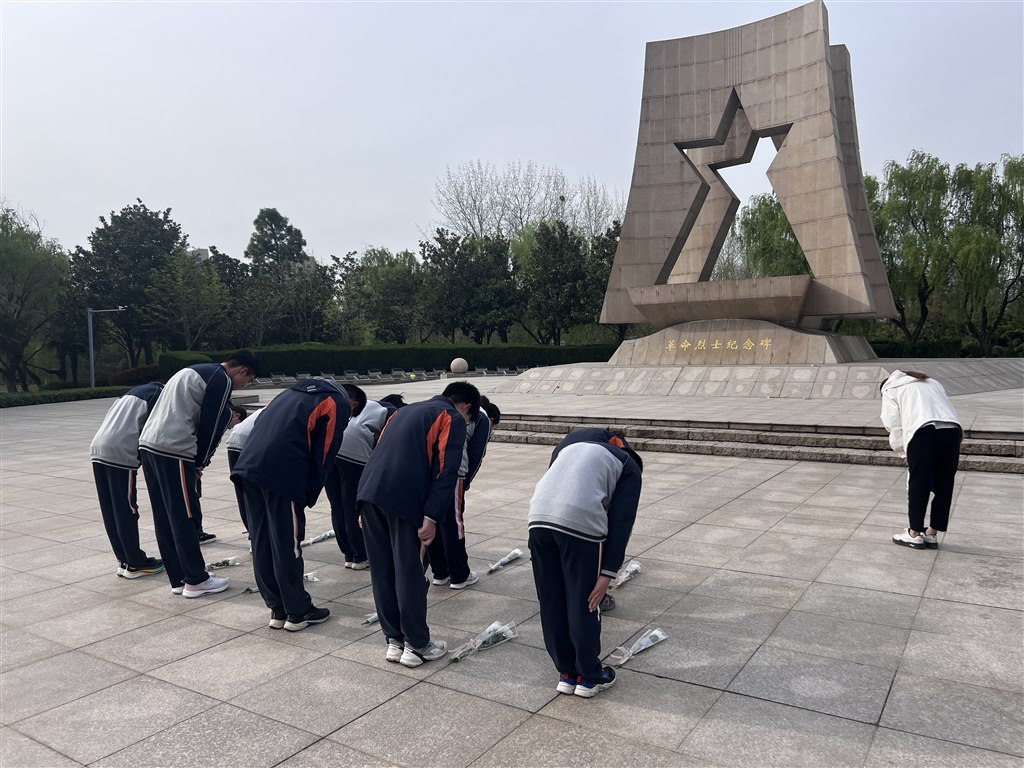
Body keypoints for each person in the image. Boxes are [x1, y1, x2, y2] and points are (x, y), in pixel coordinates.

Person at [356, 381, 481, 668]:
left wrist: (361, 503)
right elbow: (447, 470)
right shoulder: (450, 417)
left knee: (383, 572)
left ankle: (394, 640)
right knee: (410, 572)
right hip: (405, 501)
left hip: (370, 494)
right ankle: (416, 644)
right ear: (467, 408)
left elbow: (377, 452)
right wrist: (432, 516)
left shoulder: (402, 412)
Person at [528, 431, 643, 698]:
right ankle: (590, 677)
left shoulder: (570, 449)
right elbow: (621, 522)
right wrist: (608, 573)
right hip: (581, 527)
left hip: (538, 520)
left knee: (552, 601)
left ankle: (567, 673)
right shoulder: (628, 464)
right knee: (586, 602)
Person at [231, 377, 351, 631]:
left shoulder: (286, 395)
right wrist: (309, 493)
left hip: (248, 468)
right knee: (287, 543)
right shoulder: (334, 402)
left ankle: (277, 608)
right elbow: (325, 453)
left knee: (262, 541)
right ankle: (298, 611)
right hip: (282, 474)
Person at [138, 350, 259, 598]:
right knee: (185, 514)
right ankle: (196, 579)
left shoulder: (195, 370)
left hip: (150, 445)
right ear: (242, 370)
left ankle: (179, 578)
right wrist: (199, 463)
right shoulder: (221, 378)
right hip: (174, 449)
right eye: (248, 380)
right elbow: (210, 424)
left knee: (165, 515)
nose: (244, 385)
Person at [551, 427, 635, 613]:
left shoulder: (573, 440)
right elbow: (620, 520)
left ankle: (558, 589)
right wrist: (609, 570)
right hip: (581, 514)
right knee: (594, 537)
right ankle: (596, 596)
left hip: (544, 510)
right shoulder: (620, 453)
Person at [89, 381, 166, 578]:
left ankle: (124, 560)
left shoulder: (132, 393)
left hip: (98, 448)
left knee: (110, 509)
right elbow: (155, 431)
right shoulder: (158, 395)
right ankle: (136, 562)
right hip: (121, 452)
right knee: (126, 509)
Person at [880, 370, 962, 550]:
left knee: (919, 483)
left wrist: (902, 451)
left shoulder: (890, 387)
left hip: (922, 432)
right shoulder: (931, 382)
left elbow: (892, 422)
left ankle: (914, 534)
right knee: (944, 484)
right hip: (952, 431)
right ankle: (931, 534)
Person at [428, 395, 501, 590]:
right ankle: (460, 575)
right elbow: (476, 455)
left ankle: (440, 572)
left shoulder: (440, 408)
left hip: (430, 472)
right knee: (454, 524)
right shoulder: (482, 417)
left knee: (432, 519)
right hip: (453, 473)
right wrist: (465, 482)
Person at [323, 384, 395, 570]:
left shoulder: (368, 405)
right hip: (354, 452)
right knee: (352, 505)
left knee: (337, 505)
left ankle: (349, 555)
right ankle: (360, 555)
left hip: (330, 447)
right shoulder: (390, 411)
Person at [226, 405, 265, 534]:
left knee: (243, 489)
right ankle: (254, 530)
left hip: (236, 442)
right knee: (251, 491)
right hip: (245, 443)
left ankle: (253, 531)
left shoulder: (275, 405)